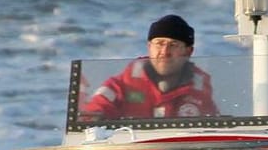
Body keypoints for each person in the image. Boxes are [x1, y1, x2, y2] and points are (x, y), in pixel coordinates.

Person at [80, 14, 219, 120]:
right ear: (149, 47)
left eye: (174, 44)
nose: (165, 52)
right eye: (159, 43)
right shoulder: (120, 85)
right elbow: (91, 116)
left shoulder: (201, 91)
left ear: (188, 52)